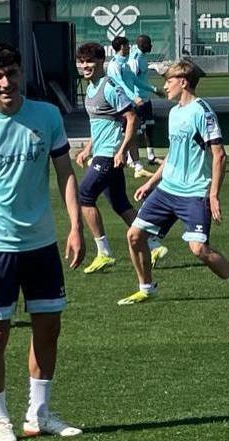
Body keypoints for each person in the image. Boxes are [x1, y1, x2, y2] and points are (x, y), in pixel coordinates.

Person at [0, 42, 86, 441]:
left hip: (42, 244)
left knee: (48, 327)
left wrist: (75, 226)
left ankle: (38, 414)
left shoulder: (46, 116)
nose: (5, 83)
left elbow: (65, 173)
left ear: (22, 73)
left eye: (11, 74)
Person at [118, 60, 229, 306]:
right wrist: (152, 183)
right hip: (167, 191)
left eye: (169, 81)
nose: (164, 87)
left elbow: (219, 154)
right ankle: (147, 287)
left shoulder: (202, 112)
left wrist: (213, 195)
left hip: (195, 192)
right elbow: (173, 156)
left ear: (183, 82)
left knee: (199, 249)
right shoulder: (175, 112)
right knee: (134, 235)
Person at [74, 42, 168, 274]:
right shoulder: (90, 88)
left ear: (100, 62)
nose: (85, 66)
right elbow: (101, 124)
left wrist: (121, 150)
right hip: (102, 152)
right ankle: (154, 245)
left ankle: (104, 252)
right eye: (82, 62)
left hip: (109, 156)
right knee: (120, 203)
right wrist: (88, 147)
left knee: (84, 195)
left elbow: (131, 118)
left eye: (90, 61)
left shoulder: (108, 87)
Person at [107, 36, 153, 178]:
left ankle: (136, 165)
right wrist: (135, 97)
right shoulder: (114, 65)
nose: (129, 48)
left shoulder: (125, 64)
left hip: (127, 104)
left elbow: (135, 81)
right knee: (121, 133)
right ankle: (108, 157)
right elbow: (120, 84)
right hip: (119, 105)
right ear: (121, 47)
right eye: (127, 45)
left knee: (130, 132)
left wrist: (154, 89)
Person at [127, 34, 166, 165]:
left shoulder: (142, 57)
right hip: (138, 100)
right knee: (136, 130)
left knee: (149, 127)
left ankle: (151, 156)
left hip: (146, 99)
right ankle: (131, 158)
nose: (151, 46)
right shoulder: (135, 59)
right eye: (149, 43)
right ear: (142, 45)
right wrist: (134, 97)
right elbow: (132, 81)